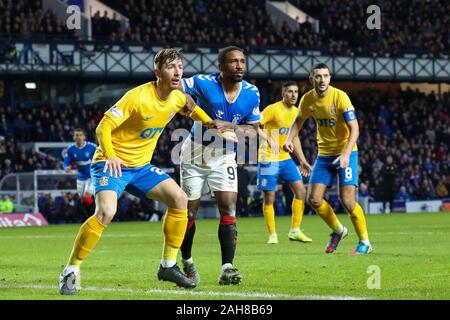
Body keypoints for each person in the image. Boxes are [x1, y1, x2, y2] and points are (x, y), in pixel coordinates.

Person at [58, 48, 214, 295]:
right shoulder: (137, 97)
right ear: (158, 72)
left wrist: (210, 123)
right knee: (106, 211)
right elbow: (103, 127)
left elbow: (191, 108)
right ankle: (71, 270)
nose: (177, 72)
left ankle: (168, 265)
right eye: (171, 67)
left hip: (140, 167)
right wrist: (110, 156)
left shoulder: (177, 96)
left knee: (179, 199)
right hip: (111, 163)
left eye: (180, 67)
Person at [179, 46, 261, 285]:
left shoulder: (252, 92)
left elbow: (253, 130)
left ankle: (227, 267)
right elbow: (176, 87)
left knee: (228, 207)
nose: (239, 66)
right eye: (234, 62)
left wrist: (228, 126)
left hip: (225, 155)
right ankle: (187, 262)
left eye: (242, 61)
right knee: (189, 213)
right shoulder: (205, 83)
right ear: (221, 66)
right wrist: (191, 106)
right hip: (195, 152)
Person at [284, 63, 372, 255]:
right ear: (311, 79)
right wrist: (289, 139)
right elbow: (298, 121)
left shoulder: (340, 97)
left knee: (347, 201)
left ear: (330, 78)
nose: (322, 80)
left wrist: (347, 154)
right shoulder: (308, 99)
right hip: (324, 155)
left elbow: (355, 128)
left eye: (325, 76)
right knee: (314, 200)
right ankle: (339, 231)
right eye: (318, 76)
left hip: (346, 153)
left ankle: (365, 242)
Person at [257, 81, 312, 244]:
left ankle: (295, 230)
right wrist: (268, 139)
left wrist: (302, 161)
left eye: (296, 92)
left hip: (286, 159)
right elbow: (254, 125)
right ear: (283, 93)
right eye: (290, 92)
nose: (294, 95)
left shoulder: (297, 113)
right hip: (268, 157)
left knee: (301, 192)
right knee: (270, 196)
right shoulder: (272, 109)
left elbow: (294, 139)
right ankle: (272, 234)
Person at [62, 128, 97, 210]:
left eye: (80, 135)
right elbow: (66, 162)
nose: (78, 137)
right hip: (81, 177)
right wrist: (66, 167)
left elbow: (102, 156)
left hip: (92, 175)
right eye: (76, 135)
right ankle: (89, 216)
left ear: (84, 137)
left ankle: (96, 217)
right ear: (73, 137)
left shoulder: (92, 147)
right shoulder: (70, 149)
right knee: (83, 200)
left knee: (87, 195)